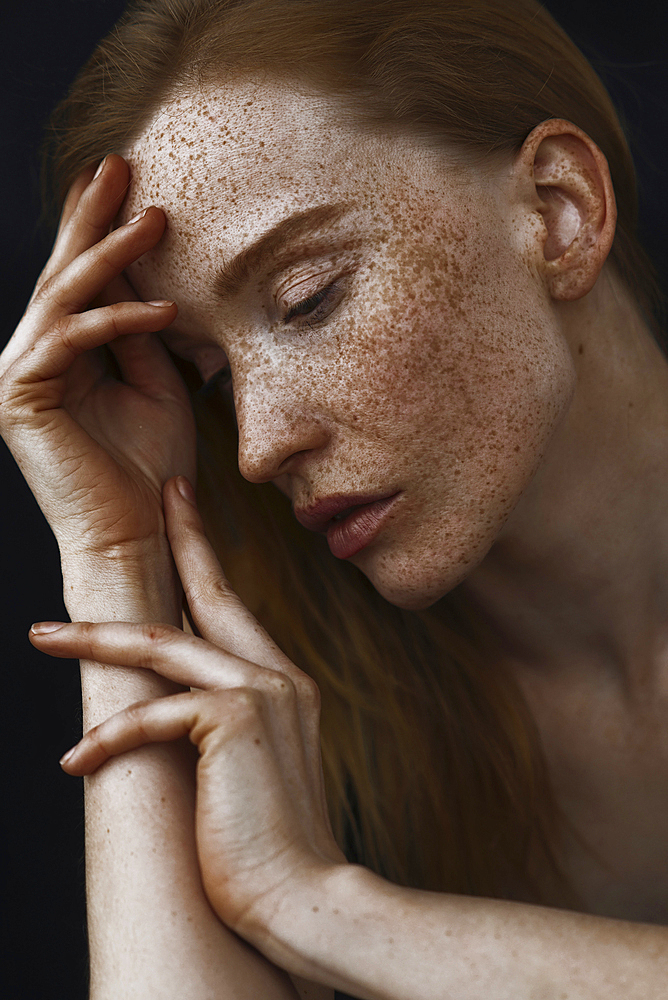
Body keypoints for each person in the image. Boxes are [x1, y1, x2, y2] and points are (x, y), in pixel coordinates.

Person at [1, 0, 667, 996]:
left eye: (307, 296)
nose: (260, 447)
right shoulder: (299, 715)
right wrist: (117, 558)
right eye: (210, 376)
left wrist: (325, 908)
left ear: (556, 208)